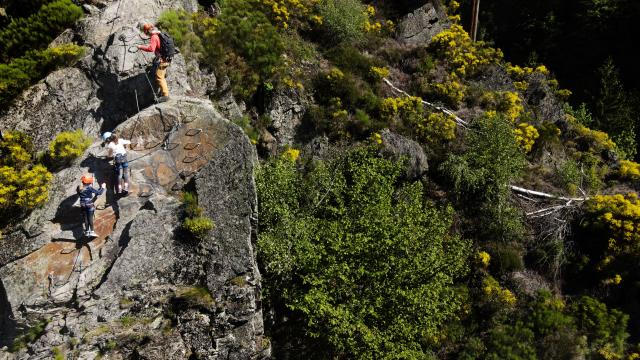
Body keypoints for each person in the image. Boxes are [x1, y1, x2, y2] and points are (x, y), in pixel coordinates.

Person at [137, 23, 171, 99]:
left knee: (159, 77)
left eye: (145, 32)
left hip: (163, 59)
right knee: (161, 75)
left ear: (147, 31)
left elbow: (151, 48)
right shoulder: (158, 34)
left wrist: (140, 47)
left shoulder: (154, 37)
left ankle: (165, 95)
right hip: (167, 58)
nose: (145, 34)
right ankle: (163, 93)